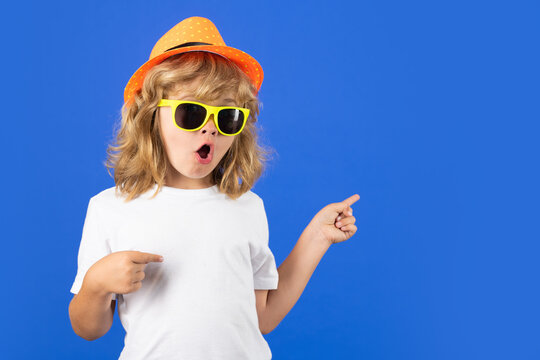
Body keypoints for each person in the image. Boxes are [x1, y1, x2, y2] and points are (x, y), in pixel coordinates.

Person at [68, 16, 359, 360]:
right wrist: (96, 285)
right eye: (191, 113)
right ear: (150, 117)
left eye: (227, 117)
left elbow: (261, 317)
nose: (210, 130)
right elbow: (89, 329)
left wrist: (317, 237)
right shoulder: (112, 208)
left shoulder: (247, 207)